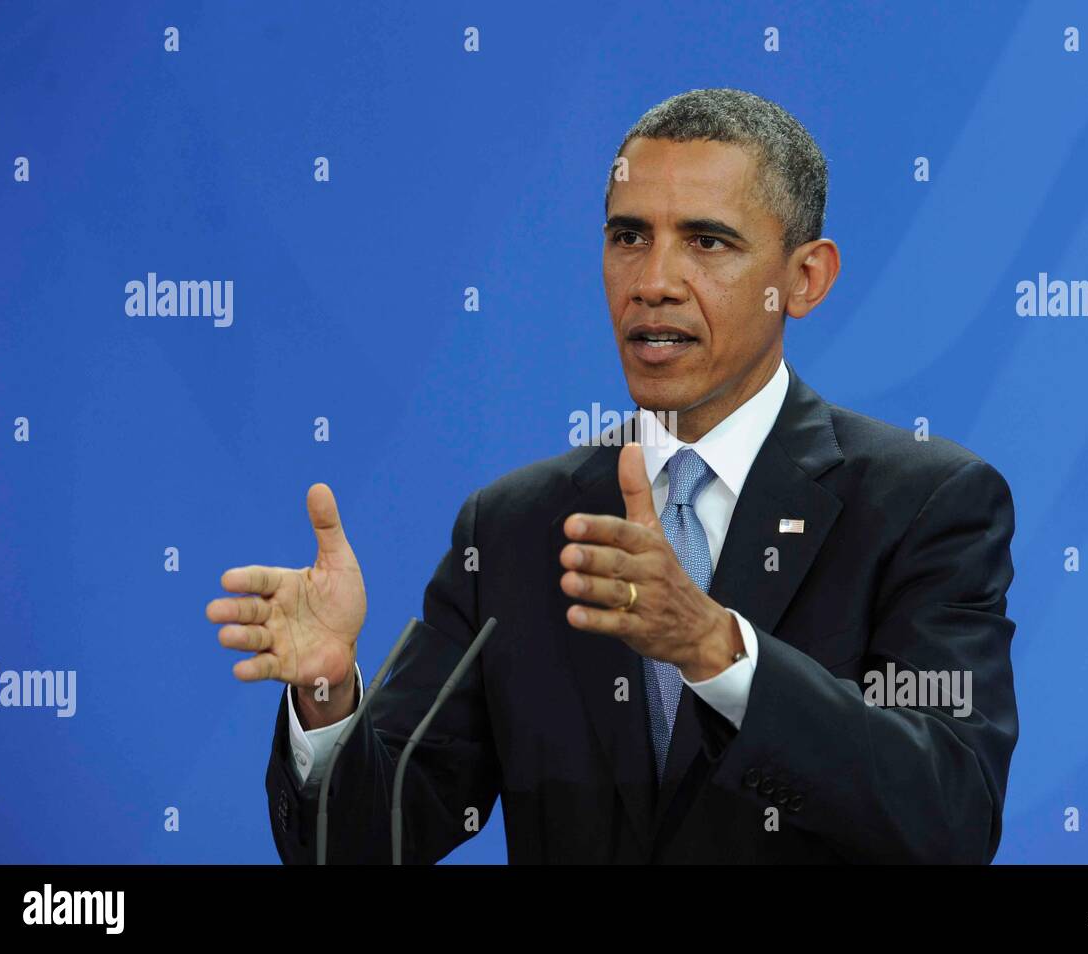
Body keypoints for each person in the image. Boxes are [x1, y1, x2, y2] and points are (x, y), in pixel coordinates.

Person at [206, 88, 1019, 864]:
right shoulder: (515, 527)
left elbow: (949, 814)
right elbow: (365, 848)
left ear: (804, 278)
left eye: (707, 241)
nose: (653, 280)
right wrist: (328, 699)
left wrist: (715, 649)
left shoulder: (925, 506)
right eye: (629, 236)